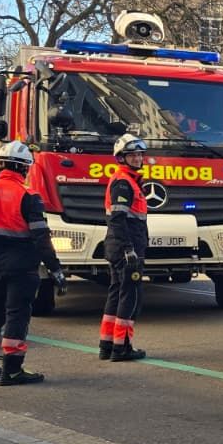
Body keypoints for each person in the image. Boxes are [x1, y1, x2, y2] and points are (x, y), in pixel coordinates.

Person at [0, 141, 66, 385]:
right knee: (17, 316)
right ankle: (12, 370)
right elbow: (41, 238)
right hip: (22, 268)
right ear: (25, 168)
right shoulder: (28, 196)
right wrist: (55, 268)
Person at [99, 134, 149, 362]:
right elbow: (118, 219)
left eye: (140, 154)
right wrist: (130, 249)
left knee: (117, 292)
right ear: (121, 158)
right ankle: (122, 347)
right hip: (125, 249)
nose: (138, 159)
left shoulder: (127, 181)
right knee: (130, 296)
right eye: (133, 155)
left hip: (118, 247)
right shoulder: (123, 183)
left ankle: (107, 344)